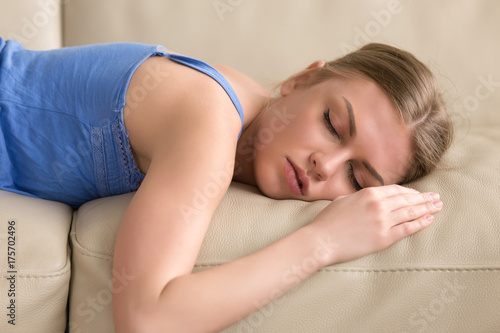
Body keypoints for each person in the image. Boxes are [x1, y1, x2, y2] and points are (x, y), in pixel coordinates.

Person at [0, 37, 453, 332]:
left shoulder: (243, 127)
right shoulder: (209, 117)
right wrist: (323, 241)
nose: (324, 164)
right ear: (302, 80)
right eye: (332, 125)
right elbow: (147, 319)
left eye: (356, 177)